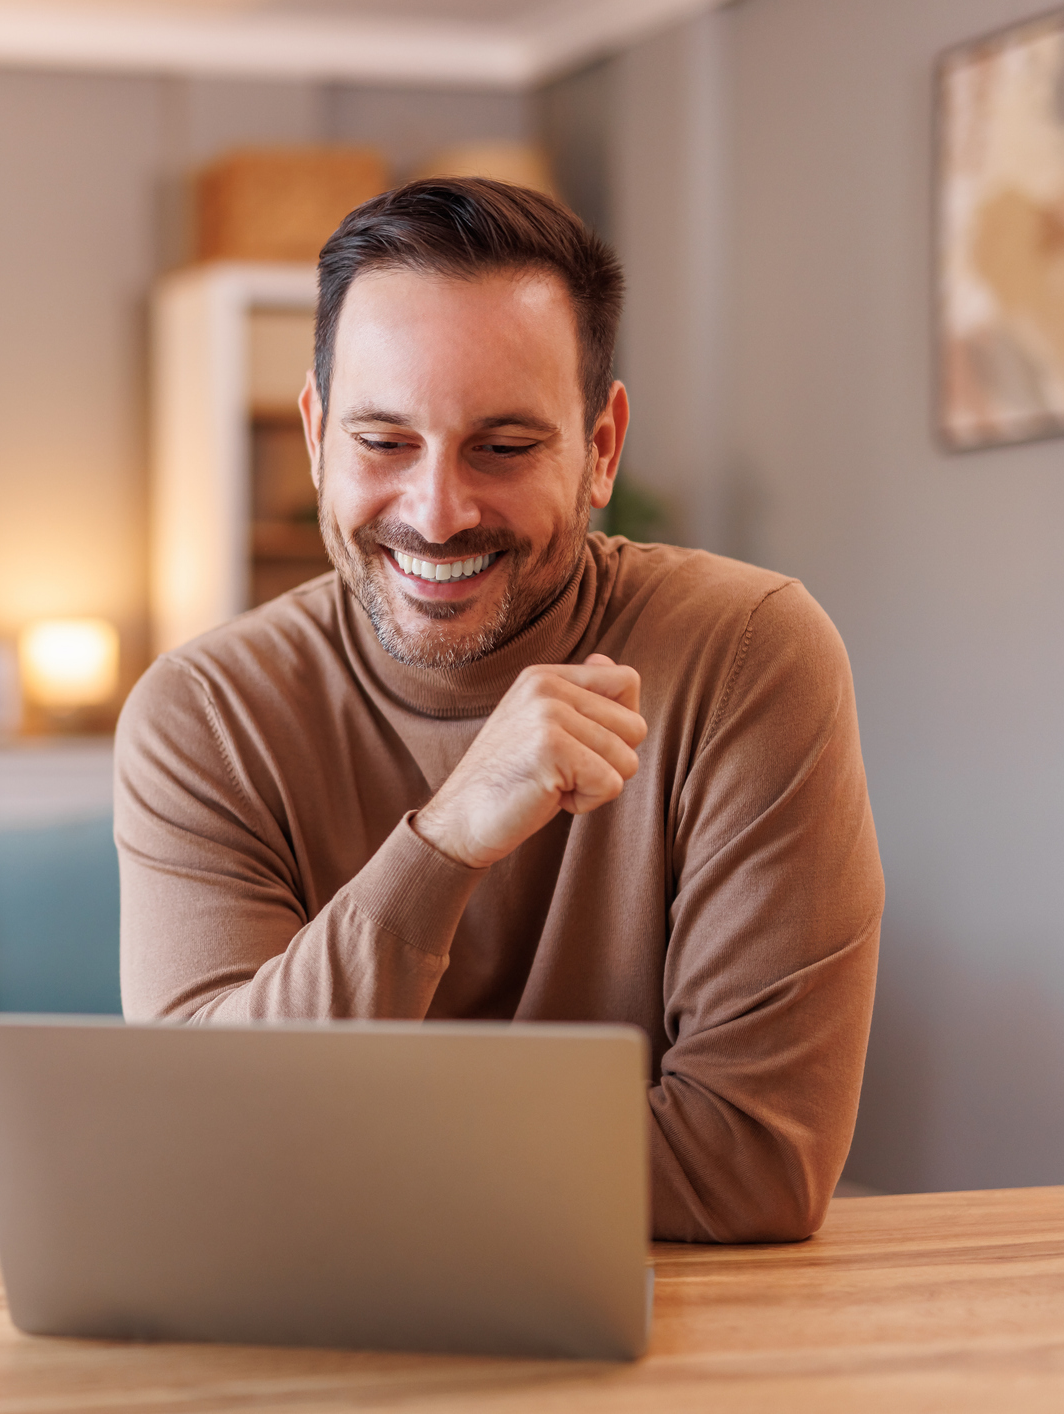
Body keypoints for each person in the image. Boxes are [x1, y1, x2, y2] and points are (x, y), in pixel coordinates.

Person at [115, 178, 883, 1244]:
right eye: (382, 441)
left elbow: (750, 1163)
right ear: (314, 432)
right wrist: (445, 840)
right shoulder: (202, 714)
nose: (435, 511)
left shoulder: (745, 655)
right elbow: (197, 1136)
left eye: (505, 446)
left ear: (600, 448)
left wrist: (317, 1146)